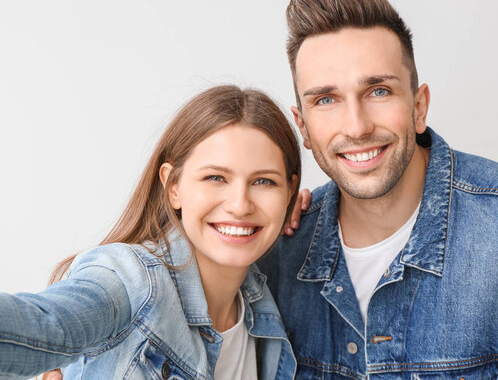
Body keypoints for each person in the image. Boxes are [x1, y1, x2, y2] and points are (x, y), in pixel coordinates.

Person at [258, 0, 498, 379]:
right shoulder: (277, 252)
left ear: (419, 107)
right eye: (326, 100)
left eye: (379, 90)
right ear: (302, 126)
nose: (356, 126)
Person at [0, 85, 301, 379]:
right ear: (173, 188)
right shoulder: (132, 281)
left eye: (263, 182)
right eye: (215, 177)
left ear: (289, 192)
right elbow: (43, 326)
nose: (239, 205)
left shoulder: (264, 303)